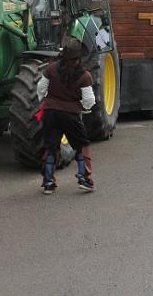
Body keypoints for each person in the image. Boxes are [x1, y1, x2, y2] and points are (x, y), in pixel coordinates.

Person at [36, 38, 96, 194]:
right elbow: (89, 101)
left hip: (50, 113)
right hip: (70, 115)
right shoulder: (85, 75)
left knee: (51, 146)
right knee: (82, 145)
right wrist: (83, 107)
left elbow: (41, 88)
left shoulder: (51, 68)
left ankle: (48, 182)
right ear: (79, 57)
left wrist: (46, 101)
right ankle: (85, 179)